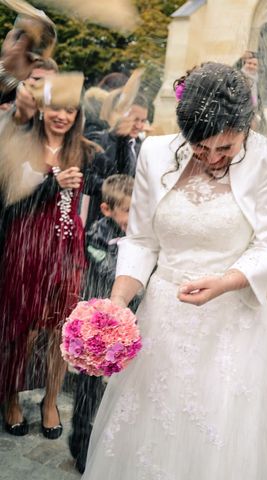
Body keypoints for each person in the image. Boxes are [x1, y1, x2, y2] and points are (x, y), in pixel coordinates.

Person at [82, 62, 267, 479]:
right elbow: (142, 241)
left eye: (225, 148)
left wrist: (225, 281)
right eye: (200, 148)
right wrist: (116, 303)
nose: (212, 158)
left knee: (221, 435)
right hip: (163, 319)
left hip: (232, 321)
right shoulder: (154, 152)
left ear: (247, 124)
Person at [0, 75, 102, 440]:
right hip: (24, 247)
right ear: (43, 108)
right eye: (56, 107)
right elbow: (8, 203)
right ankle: (9, 397)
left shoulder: (85, 151)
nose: (62, 115)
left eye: (70, 109)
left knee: (61, 330)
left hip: (66, 251)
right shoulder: (18, 145)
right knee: (21, 329)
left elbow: (106, 190)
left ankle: (50, 400)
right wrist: (49, 187)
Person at [68, 174, 139, 473]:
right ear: (107, 209)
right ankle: (81, 440)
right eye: (127, 211)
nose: (132, 217)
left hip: (127, 321)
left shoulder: (136, 234)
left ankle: (112, 441)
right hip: (99, 324)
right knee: (89, 386)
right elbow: (109, 268)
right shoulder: (96, 234)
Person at [84, 93, 148, 228]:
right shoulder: (99, 141)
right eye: (135, 119)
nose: (139, 126)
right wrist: (115, 192)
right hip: (99, 221)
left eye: (143, 121)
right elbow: (87, 180)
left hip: (126, 223)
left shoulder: (140, 147)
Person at [238, 51, 267, 136]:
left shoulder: (259, 80)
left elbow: (258, 99)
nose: (251, 66)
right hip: (240, 112)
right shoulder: (237, 76)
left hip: (255, 112)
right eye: (249, 63)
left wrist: (258, 113)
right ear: (244, 63)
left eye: (255, 64)